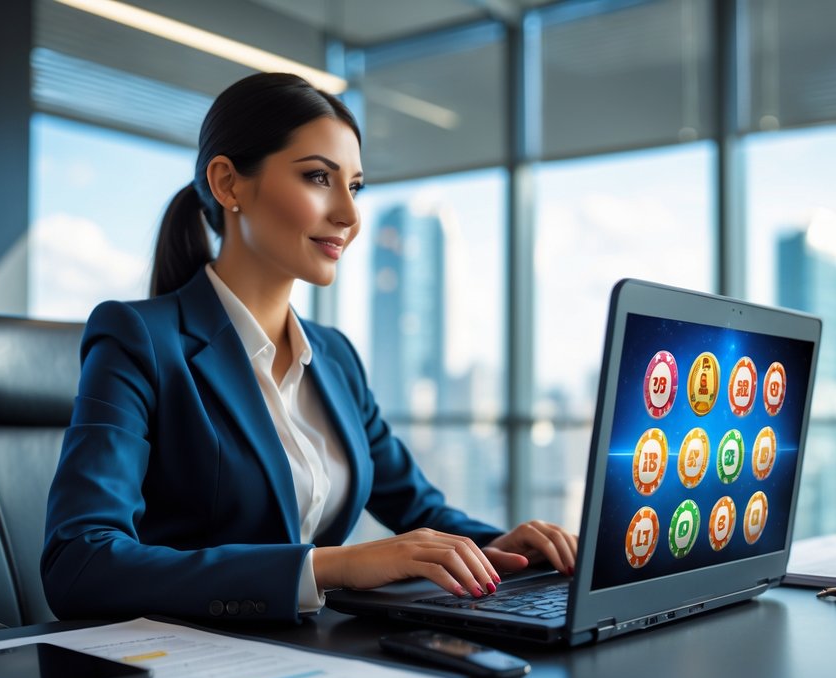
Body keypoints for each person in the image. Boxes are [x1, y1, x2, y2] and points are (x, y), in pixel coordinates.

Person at [42, 73, 578, 623]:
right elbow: (79, 562)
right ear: (228, 184)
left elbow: (418, 509)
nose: (349, 215)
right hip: (190, 655)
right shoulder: (138, 338)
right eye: (319, 177)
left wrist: (504, 549)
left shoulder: (335, 355)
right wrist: (330, 567)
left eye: (355, 186)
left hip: (315, 653)